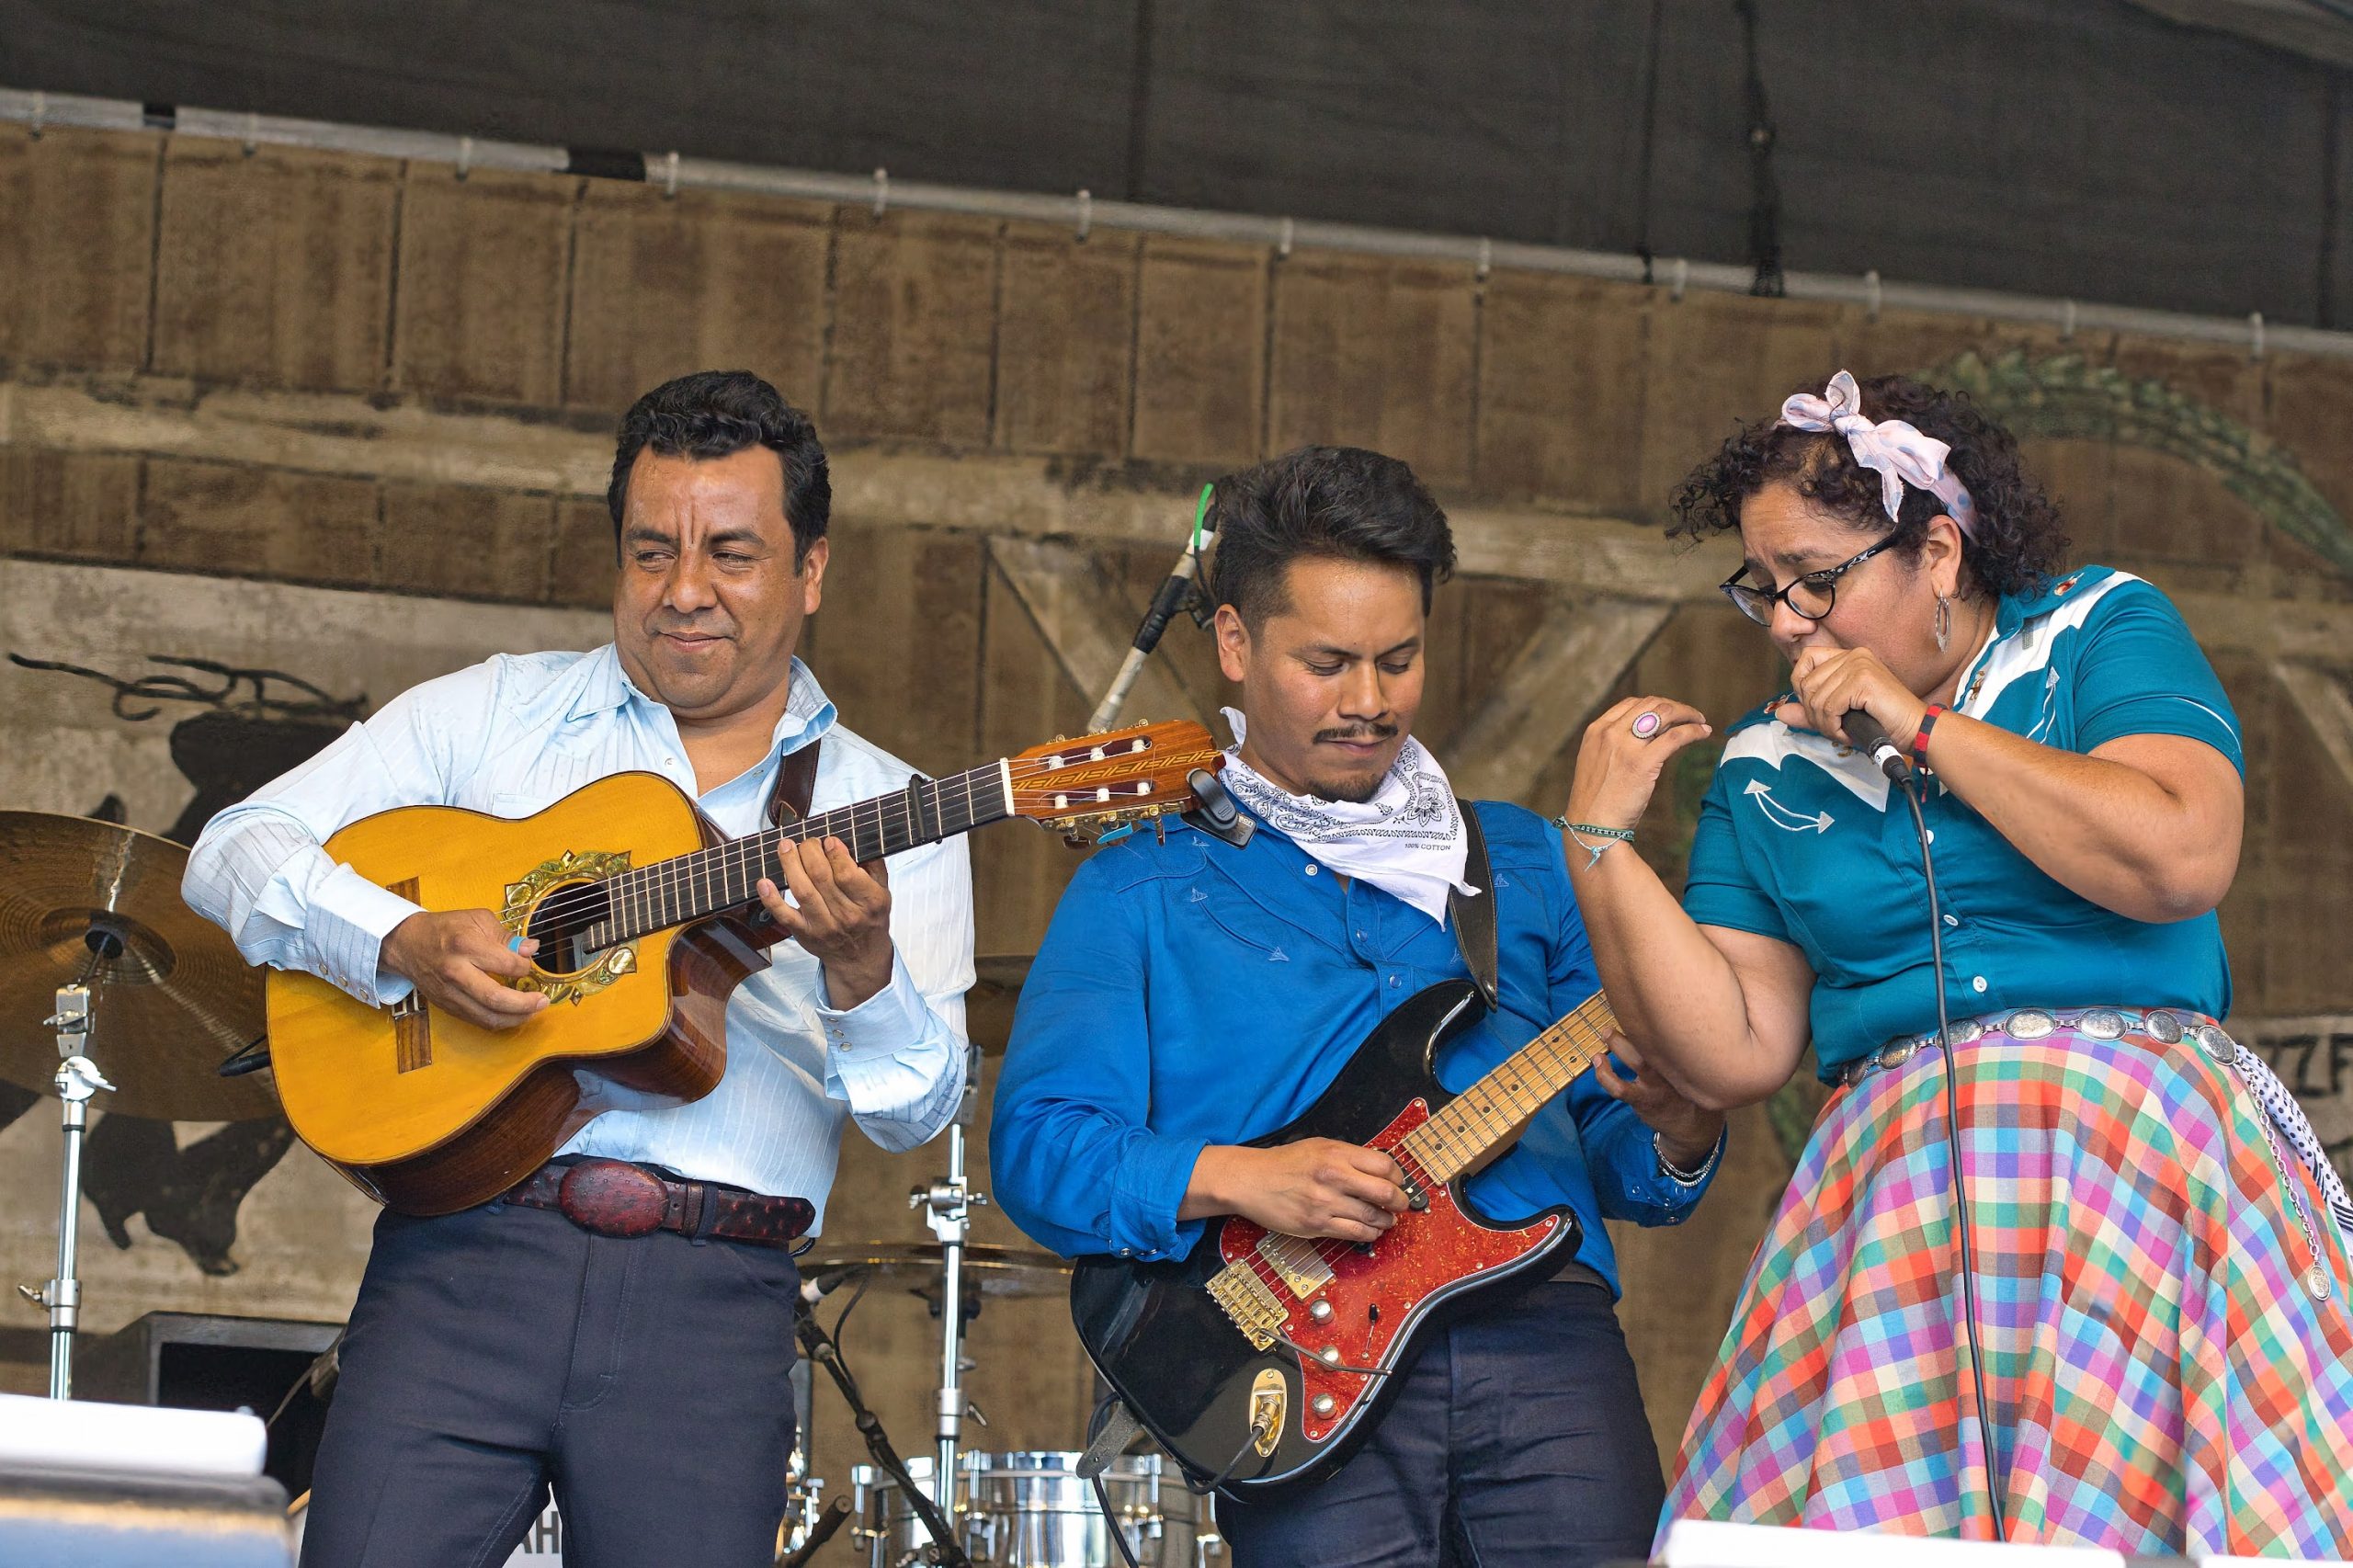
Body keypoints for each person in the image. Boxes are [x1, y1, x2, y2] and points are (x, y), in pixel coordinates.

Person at [184, 370, 976, 1568]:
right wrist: (396, 938)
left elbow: (917, 1110)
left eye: (732, 553)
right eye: (651, 550)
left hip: (712, 1305)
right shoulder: (493, 713)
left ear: (811, 571)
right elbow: (234, 847)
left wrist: (863, 967)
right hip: (462, 1263)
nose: (685, 592)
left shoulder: (890, 807)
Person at [1559, 370, 2353, 1552]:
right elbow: (1736, 1047)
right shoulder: (1764, 765)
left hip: (2138, 1171)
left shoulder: (2095, 628)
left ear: (1936, 551)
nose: (1784, 622)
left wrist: (1921, 729)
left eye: (1815, 582)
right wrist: (1600, 847)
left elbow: (2182, 852)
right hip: (1899, 1209)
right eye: (1760, 589)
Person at [990, 444, 1727, 1568]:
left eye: (1398, 658)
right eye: (1326, 663)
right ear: (1233, 642)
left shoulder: (1529, 860)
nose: (1368, 701)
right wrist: (1242, 1177)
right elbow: (1041, 1146)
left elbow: (1628, 1162)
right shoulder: (1138, 882)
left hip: (1545, 1340)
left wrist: (1680, 1126)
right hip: (1296, 1358)